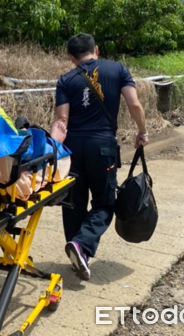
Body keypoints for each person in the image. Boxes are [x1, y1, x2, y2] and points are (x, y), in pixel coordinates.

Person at [50, 33, 149, 281]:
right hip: (103, 147)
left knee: (73, 202)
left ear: (71, 57)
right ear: (96, 49)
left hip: (73, 149)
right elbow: (134, 105)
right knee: (105, 203)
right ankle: (81, 245)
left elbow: (61, 120)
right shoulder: (118, 69)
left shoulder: (65, 79)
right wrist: (142, 132)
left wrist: (53, 151)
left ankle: (77, 248)